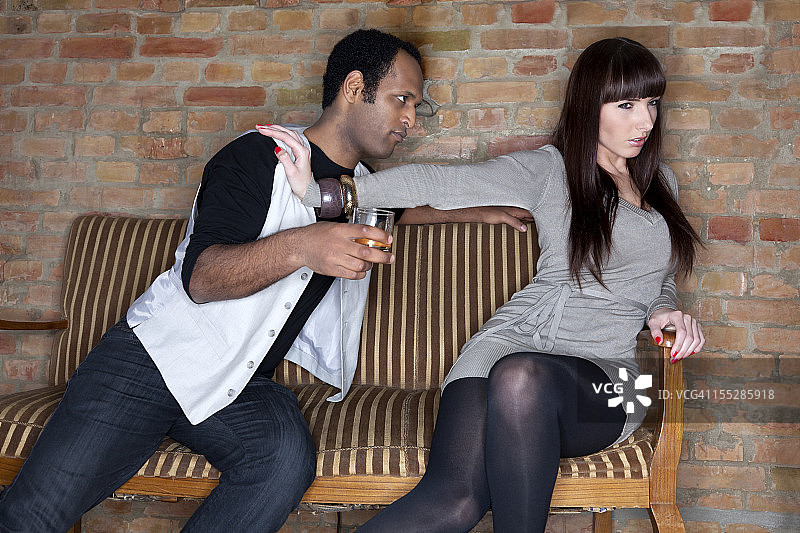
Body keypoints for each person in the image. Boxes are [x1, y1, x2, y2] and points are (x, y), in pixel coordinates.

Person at [0, 29, 531, 532]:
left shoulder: (361, 189)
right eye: (402, 100)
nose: (411, 119)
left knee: (282, 460)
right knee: (32, 516)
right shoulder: (258, 156)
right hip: (152, 362)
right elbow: (202, 278)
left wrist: (482, 213)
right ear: (354, 88)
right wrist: (305, 246)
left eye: (416, 106)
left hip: (241, 384)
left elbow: (408, 209)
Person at [258, 37, 706, 532]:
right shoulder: (550, 170)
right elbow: (441, 183)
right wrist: (326, 194)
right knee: (455, 500)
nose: (645, 121)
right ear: (588, 105)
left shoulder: (660, 182)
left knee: (522, 377)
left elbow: (658, 276)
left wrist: (661, 310)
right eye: (626, 105)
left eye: (651, 103)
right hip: (505, 346)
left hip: (609, 375)